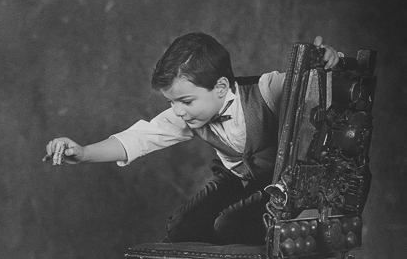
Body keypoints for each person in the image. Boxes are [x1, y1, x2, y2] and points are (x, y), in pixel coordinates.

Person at [43, 33, 340, 245]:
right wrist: (84, 152)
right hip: (236, 180)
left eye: (185, 101)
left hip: (280, 184)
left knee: (230, 225)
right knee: (181, 230)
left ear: (220, 87)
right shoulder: (187, 114)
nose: (177, 111)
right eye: (171, 102)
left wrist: (329, 61)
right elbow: (138, 139)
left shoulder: (267, 89)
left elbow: (312, 83)